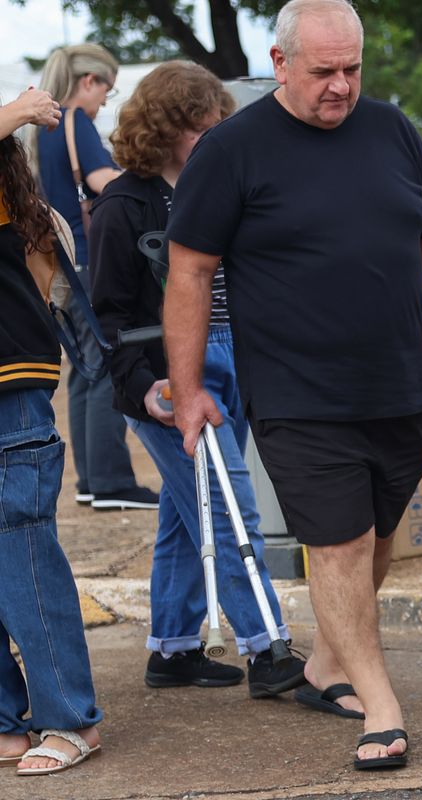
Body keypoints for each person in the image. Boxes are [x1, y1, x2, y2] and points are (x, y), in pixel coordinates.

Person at [164, 0, 422, 770]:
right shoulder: (232, 150)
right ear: (281, 65)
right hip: (296, 392)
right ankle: (381, 708)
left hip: (399, 384)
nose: (341, 86)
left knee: (378, 537)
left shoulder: (391, 129)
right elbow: (189, 269)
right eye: (324, 72)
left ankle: (323, 668)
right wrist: (188, 390)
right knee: (339, 545)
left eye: (352, 68)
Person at [88, 62, 307, 695]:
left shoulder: (222, 186)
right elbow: (107, 319)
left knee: (194, 507)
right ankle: (268, 648)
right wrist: (146, 389)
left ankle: (174, 647)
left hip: (234, 359)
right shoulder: (123, 206)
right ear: (162, 129)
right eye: (197, 130)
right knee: (227, 503)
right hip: (164, 374)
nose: (210, 139)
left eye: (215, 127)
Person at [0, 86, 105, 777]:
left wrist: (18, 107)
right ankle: (8, 725)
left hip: (11, 393)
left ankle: (69, 718)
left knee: (25, 562)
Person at [34, 43, 159, 512]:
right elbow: (104, 179)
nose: (106, 98)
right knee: (108, 365)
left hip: (64, 263)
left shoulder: (45, 126)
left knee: (85, 372)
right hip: (89, 257)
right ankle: (110, 481)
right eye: (106, 87)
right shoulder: (76, 122)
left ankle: (92, 479)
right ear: (89, 81)